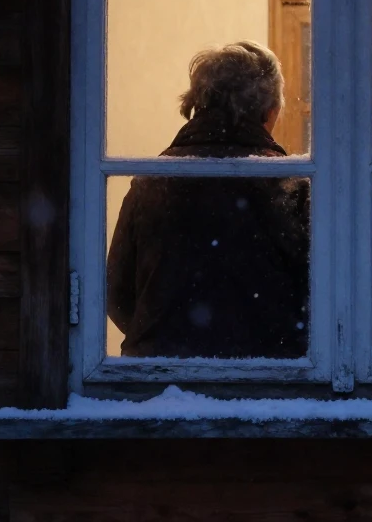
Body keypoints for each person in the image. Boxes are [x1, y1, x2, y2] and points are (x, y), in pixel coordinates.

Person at [107, 41, 309, 358]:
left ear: (196, 103)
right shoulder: (290, 185)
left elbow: (118, 295)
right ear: (270, 112)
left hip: (160, 373)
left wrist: (173, 338)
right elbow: (317, 295)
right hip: (268, 374)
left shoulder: (152, 182)